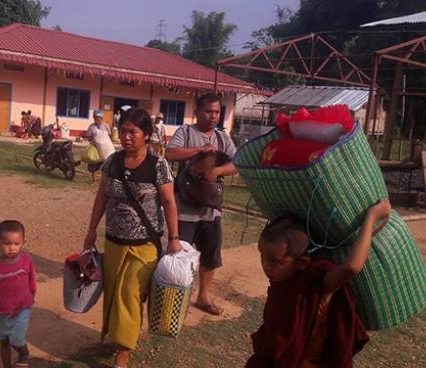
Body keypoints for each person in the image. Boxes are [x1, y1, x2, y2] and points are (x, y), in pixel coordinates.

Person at [83, 108, 181, 368]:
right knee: (113, 291)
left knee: (130, 292)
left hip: (144, 245)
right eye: (123, 131)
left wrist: (174, 237)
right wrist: (91, 230)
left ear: (146, 135)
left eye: (133, 132)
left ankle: (125, 349)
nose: (126, 137)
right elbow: (102, 197)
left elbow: (169, 202)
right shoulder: (113, 161)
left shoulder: (158, 165)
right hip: (114, 240)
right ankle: (114, 337)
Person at [246, 200, 391, 368]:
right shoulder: (283, 281)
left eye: (275, 261)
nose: (265, 266)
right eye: (262, 255)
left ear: (302, 262)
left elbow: (352, 267)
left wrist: (371, 217)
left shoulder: (319, 283)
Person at [165, 93, 238, 315]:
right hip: (185, 207)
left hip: (211, 210)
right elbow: (170, 153)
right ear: (197, 112)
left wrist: (218, 170)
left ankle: (203, 297)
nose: (213, 116)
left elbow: (239, 162)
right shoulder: (185, 132)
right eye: (208, 111)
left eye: (217, 112)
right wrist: (200, 150)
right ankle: (174, 299)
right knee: (179, 257)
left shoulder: (223, 138)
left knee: (210, 255)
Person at [0, 220, 37, 368]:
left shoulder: (26, 260)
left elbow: (32, 282)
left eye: (16, 243)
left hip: (22, 307)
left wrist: (30, 298)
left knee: (16, 339)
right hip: (2, 308)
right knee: (3, 340)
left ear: (23, 242)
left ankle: (23, 353)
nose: (12, 248)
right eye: (7, 244)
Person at [85, 110, 113, 184]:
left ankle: (105, 181)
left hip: (106, 149)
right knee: (93, 164)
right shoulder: (91, 127)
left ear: (101, 118)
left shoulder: (106, 126)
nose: (96, 120)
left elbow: (109, 135)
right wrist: (93, 140)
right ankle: (94, 181)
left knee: (107, 165)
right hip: (96, 148)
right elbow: (88, 136)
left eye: (98, 118)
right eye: (95, 118)